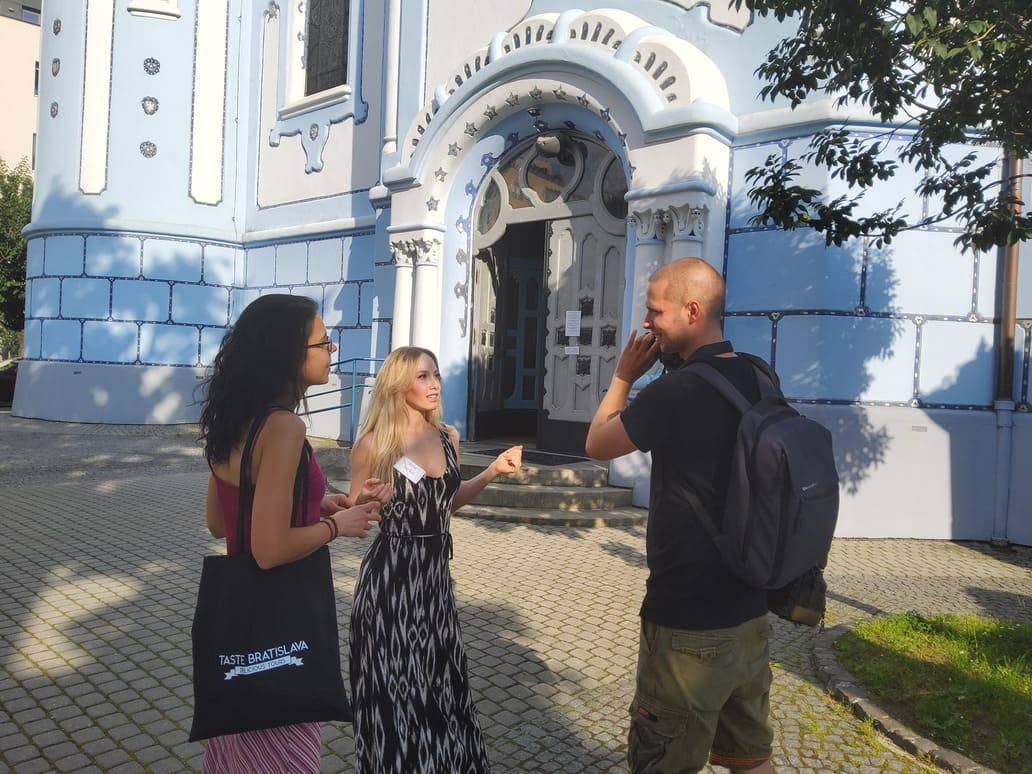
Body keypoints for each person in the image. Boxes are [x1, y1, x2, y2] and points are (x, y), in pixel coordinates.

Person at [585, 258, 776, 774]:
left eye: (655, 312)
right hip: (751, 609)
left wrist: (623, 377)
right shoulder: (760, 376)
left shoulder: (679, 390)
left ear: (692, 311)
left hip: (688, 621)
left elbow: (597, 442)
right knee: (751, 758)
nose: (646, 324)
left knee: (662, 761)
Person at [198, 293, 389, 774]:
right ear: (289, 352)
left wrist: (312, 503)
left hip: (240, 622)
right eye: (323, 342)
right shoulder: (284, 427)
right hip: (282, 621)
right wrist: (334, 525)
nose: (333, 350)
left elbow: (222, 520)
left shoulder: (236, 419)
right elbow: (268, 549)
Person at [347, 346, 523, 773]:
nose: (434, 384)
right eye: (422, 376)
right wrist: (368, 500)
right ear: (398, 384)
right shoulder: (375, 444)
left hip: (434, 586)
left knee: (441, 691)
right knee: (396, 698)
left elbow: (448, 502)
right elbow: (353, 511)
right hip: (390, 586)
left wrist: (492, 472)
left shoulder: (448, 436)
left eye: (436, 375)